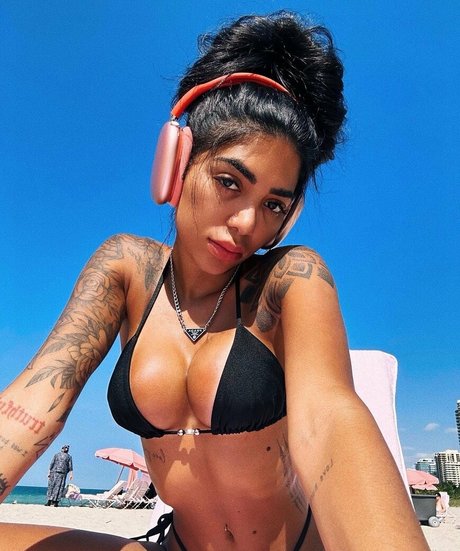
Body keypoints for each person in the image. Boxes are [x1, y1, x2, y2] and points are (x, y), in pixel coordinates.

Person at [0, 11, 429, 551]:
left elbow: (329, 419)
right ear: (177, 163)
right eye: (229, 182)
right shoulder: (125, 269)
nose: (249, 223)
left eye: (274, 205)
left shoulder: (289, 279)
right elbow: (36, 401)